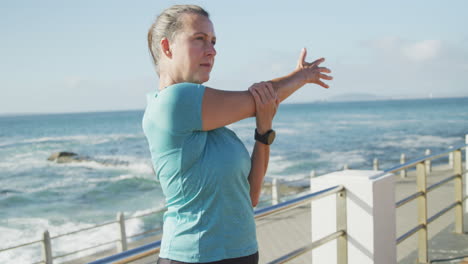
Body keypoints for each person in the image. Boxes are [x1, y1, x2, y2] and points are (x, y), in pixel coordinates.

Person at [142, 4, 332, 264]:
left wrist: (264, 132)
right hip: (194, 257)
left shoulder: (215, 126)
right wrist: (301, 76)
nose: (212, 51)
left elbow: (251, 195)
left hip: (242, 253)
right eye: (199, 39)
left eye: (213, 41)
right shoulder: (173, 101)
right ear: (167, 47)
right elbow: (259, 100)